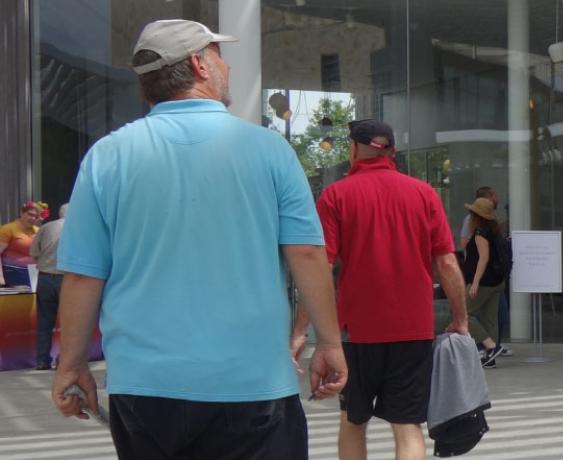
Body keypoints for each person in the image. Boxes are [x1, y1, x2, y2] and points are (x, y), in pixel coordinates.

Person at [50, 20, 347, 458]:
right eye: (217, 55)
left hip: (146, 388)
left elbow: (82, 276)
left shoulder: (108, 156)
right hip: (252, 383)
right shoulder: (268, 150)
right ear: (198, 65)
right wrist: (330, 343)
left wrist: (71, 364)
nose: (226, 66)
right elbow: (306, 252)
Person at [318, 119, 473, 460]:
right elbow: (447, 263)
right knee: (407, 426)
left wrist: (304, 329)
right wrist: (460, 319)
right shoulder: (423, 193)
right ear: (392, 150)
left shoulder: (335, 195)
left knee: (352, 421)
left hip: (355, 330)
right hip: (412, 329)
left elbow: (320, 266)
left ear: (353, 148)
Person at [462, 197, 509, 368]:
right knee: (490, 320)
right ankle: (491, 358)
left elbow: (483, 258)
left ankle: (490, 347)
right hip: (497, 281)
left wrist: (474, 283)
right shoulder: (494, 231)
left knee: (463, 315)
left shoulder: (481, 232)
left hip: (484, 282)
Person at [29, 204, 67, 370]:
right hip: (66, 279)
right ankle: (63, 360)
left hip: (44, 278)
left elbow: (34, 253)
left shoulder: (45, 227)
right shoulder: (77, 228)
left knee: (45, 321)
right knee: (69, 322)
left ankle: (42, 360)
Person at [0, 201, 44, 287]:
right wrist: (0, 276)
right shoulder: (8, 229)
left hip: (33, 274)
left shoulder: (38, 230)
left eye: (36, 216)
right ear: (21, 213)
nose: (33, 218)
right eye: (30, 214)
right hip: (12, 271)